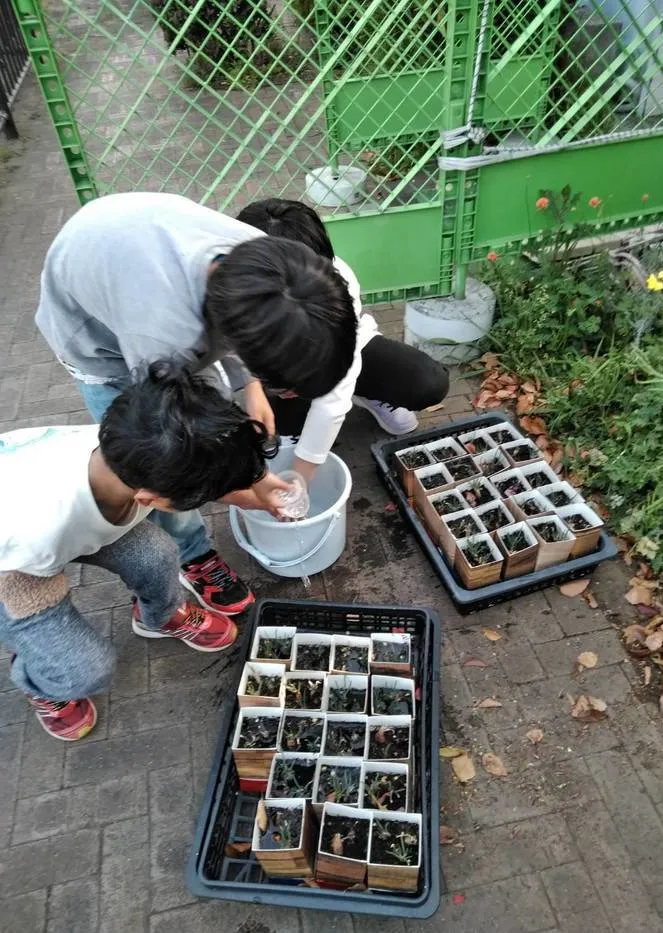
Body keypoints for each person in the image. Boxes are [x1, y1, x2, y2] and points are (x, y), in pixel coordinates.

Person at [35, 191, 357, 614]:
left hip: (124, 241)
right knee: (157, 462)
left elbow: (239, 339)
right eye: (289, 388)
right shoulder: (163, 338)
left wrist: (252, 391)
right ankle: (192, 552)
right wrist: (243, 492)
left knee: (216, 419)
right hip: (95, 337)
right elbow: (173, 448)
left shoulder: (279, 264)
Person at [0, 364, 278, 741]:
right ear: (150, 499)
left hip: (62, 517)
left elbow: (207, 480)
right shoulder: (38, 531)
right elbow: (28, 562)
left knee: (157, 552)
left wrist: (266, 496)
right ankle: (39, 678)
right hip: (14, 568)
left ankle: (159, 617)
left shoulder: (135, 451)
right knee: (85, 670)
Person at [236, 198, 449, 485]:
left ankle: (368, 394)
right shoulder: (229, 286)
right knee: (277, 427)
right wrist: (254, 384)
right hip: (272, 371)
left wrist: (301, 478)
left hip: (339, 356)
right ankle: (288, 410)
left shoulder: (339, 280)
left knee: (426, 381)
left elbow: (337, 380)